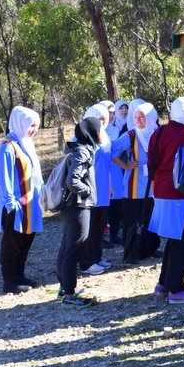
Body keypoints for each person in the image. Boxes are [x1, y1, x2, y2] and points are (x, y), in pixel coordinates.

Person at [148, 97, 184, 305]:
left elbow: (150, 160)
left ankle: (163, 283)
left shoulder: (159, 131)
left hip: (162, 192)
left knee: (173, 240)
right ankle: (176, 289)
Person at [0, 106, 45, 294]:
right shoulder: (8, 146)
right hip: (15, 205)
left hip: (30, 204)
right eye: (31, 125)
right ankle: (9, 280)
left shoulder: (26, 144)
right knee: (12, 242)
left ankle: (19, 275)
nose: (34, 130)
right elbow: (5, 178)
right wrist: (11, 204)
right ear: (20, 123)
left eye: (36, 126)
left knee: (26, 240)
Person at [56, 117, 102, 308]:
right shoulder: (83, 152)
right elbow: (72, 181)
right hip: (78, 206)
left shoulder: (77, 149)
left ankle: (63, 288)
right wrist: (89, 191)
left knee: (67, 247)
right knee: (74, 249)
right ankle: (69, 294)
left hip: (71, 207)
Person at [112, 101, 160, 264]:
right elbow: (112, 150)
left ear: (151, 117)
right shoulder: (131, 135)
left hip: (154, 185)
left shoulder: (157, 133)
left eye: (142, 117)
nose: (138, 120)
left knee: (151, 219)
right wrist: (125, 165)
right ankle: (130, 252)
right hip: (134, 185)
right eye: (136, 117)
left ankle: (149, 249)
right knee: (132, 220)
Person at [78, 103, 114, 275]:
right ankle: (86, 261)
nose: (102, 123)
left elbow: (106, 165)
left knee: (100, 225)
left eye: (104, 119)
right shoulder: (84, 138)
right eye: (99, 119)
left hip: (103, 189)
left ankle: (96, 256)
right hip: (91, 190)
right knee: (90, 227)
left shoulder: (104, 138)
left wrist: (111, 186)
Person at [106, 99, 129, 246]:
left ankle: (114, 234)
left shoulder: (117, 129)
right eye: (109, 112)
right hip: (103, 170)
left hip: (116, 170)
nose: (112, 115)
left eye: (113, 112)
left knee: (117, 202)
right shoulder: (96, 130)